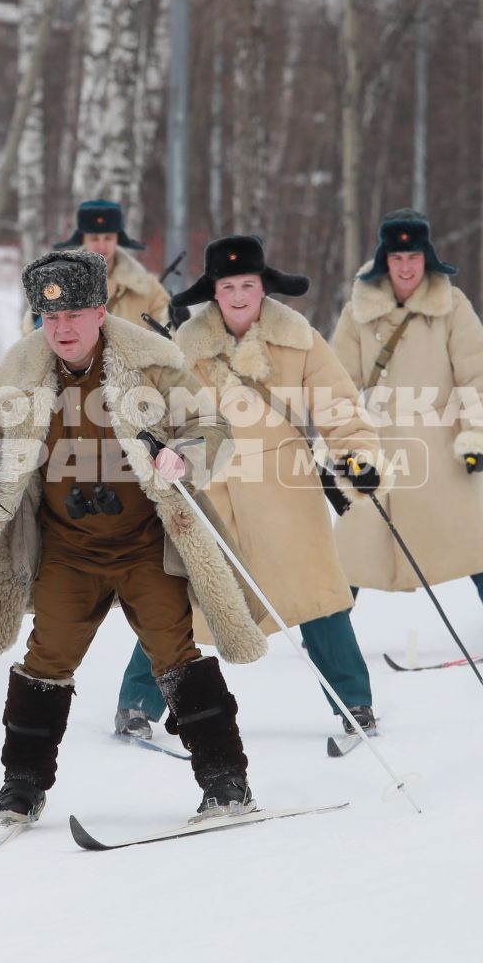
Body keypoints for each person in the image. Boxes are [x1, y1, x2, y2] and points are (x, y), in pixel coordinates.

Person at [0, 249, 267, 826]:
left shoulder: (153, 364)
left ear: (100, 311)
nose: (61, 329)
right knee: (45, 659)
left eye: (73, 316)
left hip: (146, 543)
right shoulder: (24, 367)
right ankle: (21, 787)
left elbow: (211, 428)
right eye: (49, 317)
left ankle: (226, 782)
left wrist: (182, 459)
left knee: (176, 655)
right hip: (66, 549)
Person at [112, 234, 385, 742]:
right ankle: (136, 705)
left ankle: (355, 705)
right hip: (210, 490)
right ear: (213, 292)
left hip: (286, 491)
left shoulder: (300, 340)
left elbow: (340, 406)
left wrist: (357, 456)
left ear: (264, 288)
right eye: (227, 285)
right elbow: (155, 410)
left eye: (248, 284)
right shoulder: (182, 347)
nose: (238, 295)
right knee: (182, 598)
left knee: (318, 596)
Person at [331, 209, 483, 649]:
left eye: (414, 257)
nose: (406, 266)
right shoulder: (358, 312)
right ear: (385, 260)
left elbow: (478, 376)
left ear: (427, 259)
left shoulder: (452, 306)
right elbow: (338, 384)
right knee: (352, 548)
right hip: (377, 447)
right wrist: (345, 449)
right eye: (398, 257)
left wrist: (478, 435)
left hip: (440, 447)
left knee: (478, 544)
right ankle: (324, 638)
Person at [50, 199, 170, 333]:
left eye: (108, 238)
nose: (101, 246)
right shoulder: (59, 284)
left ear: (117, 239)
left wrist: (177, 320)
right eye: (94, 238)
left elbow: (171, 331)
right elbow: (36, 338)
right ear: (83, 239)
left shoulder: (148, 287)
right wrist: (38, 318)